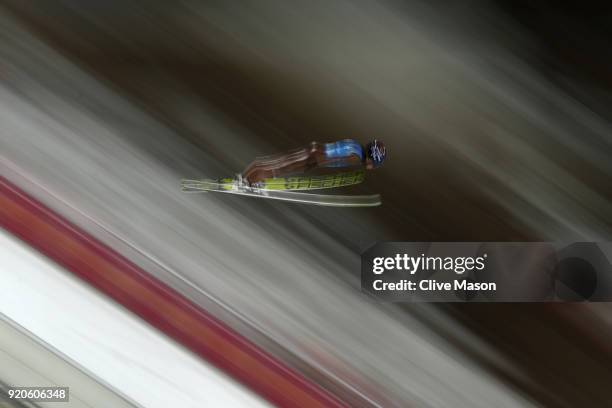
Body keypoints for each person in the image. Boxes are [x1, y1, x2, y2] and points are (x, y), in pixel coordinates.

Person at [241, 139, 386, 185]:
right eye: (373, 163)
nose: (371, 166)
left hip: (313, 151)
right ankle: (247, 182)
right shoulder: (356, 157)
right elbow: (332, 158)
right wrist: (312, 164)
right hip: (313, 156)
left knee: (278, 163)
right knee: (278, 168)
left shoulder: (354, 145)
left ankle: (245, 179)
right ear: (371, 157)